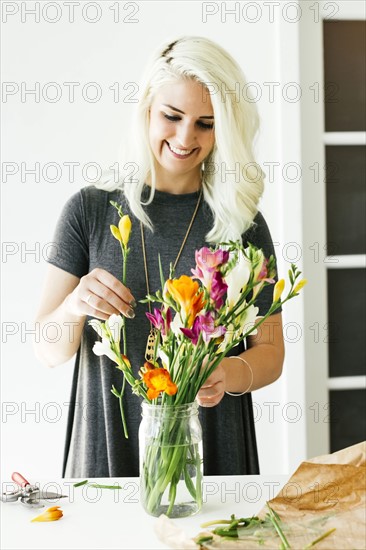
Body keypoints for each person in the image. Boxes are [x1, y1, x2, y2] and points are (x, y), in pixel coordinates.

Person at [34, 36, 284, 478]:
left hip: (211, 445)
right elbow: (47, 349)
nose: (186, 138)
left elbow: (271, 353)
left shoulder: (242, 224)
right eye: (172, 116)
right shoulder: (89, 210)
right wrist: (74, 306)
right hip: (109, 444)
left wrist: (229, 372)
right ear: (147, 109)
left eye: (206, 124)